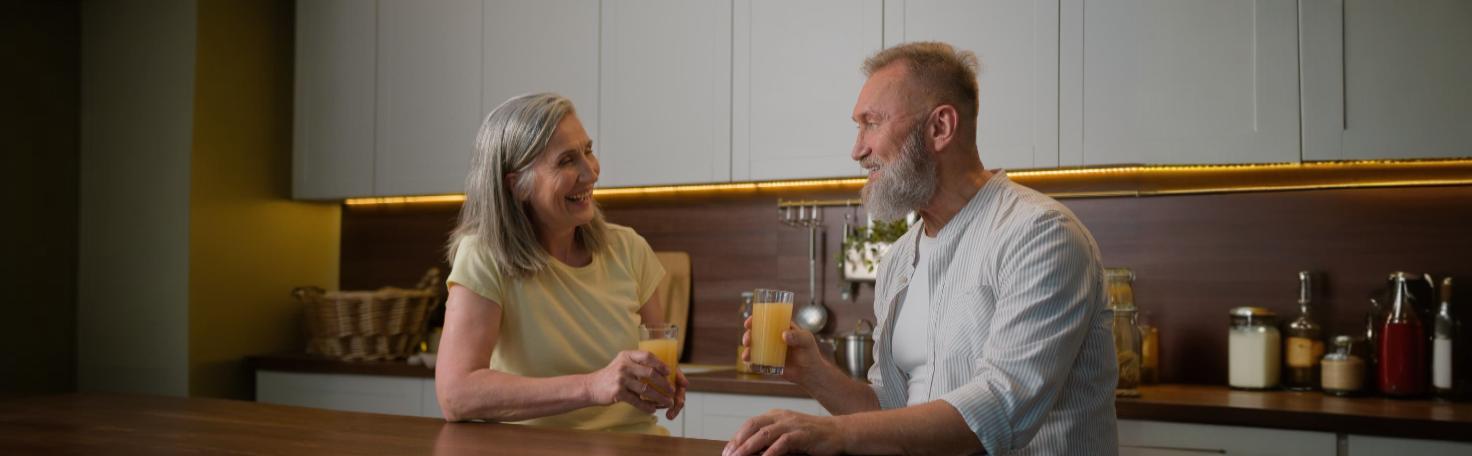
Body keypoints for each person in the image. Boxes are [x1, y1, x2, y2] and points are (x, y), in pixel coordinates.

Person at [727, 42, 1118, 455]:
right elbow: (893, 415)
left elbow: (1003, 404)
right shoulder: (899, 257)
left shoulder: (1040, 234)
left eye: (871, 123)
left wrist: (837, 433)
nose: (857, 151)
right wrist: (814, 373)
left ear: (940, 128)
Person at [436, 93, 686, 435]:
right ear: (518, 185)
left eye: (588, 150)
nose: (591, 171)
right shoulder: (484, 255)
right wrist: (592, 386)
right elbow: (456, 394)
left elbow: (654, 363)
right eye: (567, 160)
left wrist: (658, 382)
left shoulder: (629, 248)